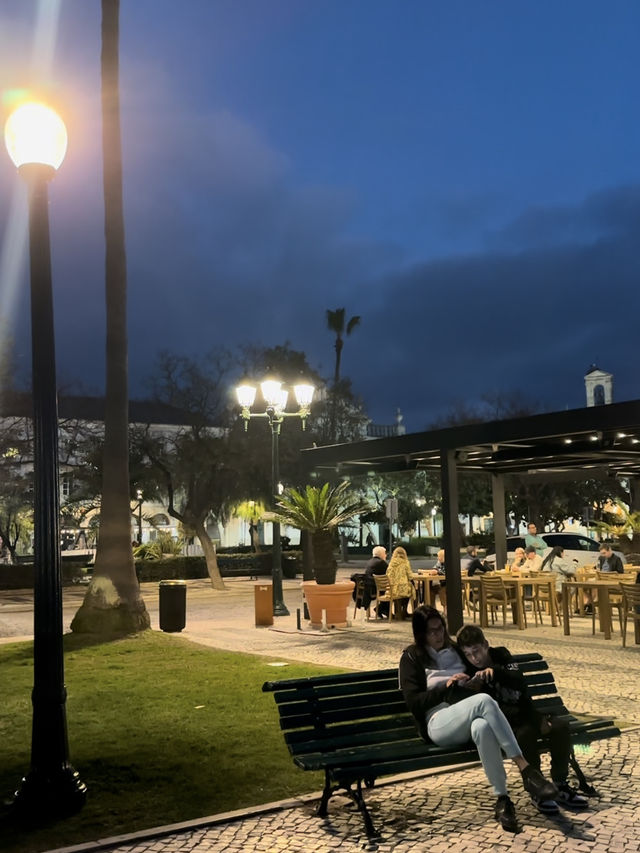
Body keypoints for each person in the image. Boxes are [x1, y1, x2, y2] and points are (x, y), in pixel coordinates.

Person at [399, 606, 558, 833]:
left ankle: (502, 800)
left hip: (469, 712)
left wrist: (474, 683)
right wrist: (447, 687)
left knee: (482, 727)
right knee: (483, 701)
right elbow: (414, 702)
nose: (438, 635)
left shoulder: (455, 650)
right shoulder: (412, 657)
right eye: (431, 631)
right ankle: (526, 769)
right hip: (438, 721)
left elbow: (481, 665)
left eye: (440, 628)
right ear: (420, 633)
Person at [457, 624, 588, 814]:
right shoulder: (471, 673)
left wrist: (496, 672)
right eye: (468, 654)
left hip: (526, 714)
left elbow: (519, 681)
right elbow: (496, 711)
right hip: (507, 724)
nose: (474, 658)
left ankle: (560, 783)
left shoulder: (501, 655)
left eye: (476, 651)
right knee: (525, 734)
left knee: (560, 727)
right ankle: (537, 789)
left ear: (485, 645)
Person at [386, 546, 416, 618]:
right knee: (414, 591)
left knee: (407, 590)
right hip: (403, 589)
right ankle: (407, 611)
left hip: (392, 589)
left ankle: (398, 612)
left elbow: (388, 574)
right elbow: (410, 576)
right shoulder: (405, 562)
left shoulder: (391, 563)